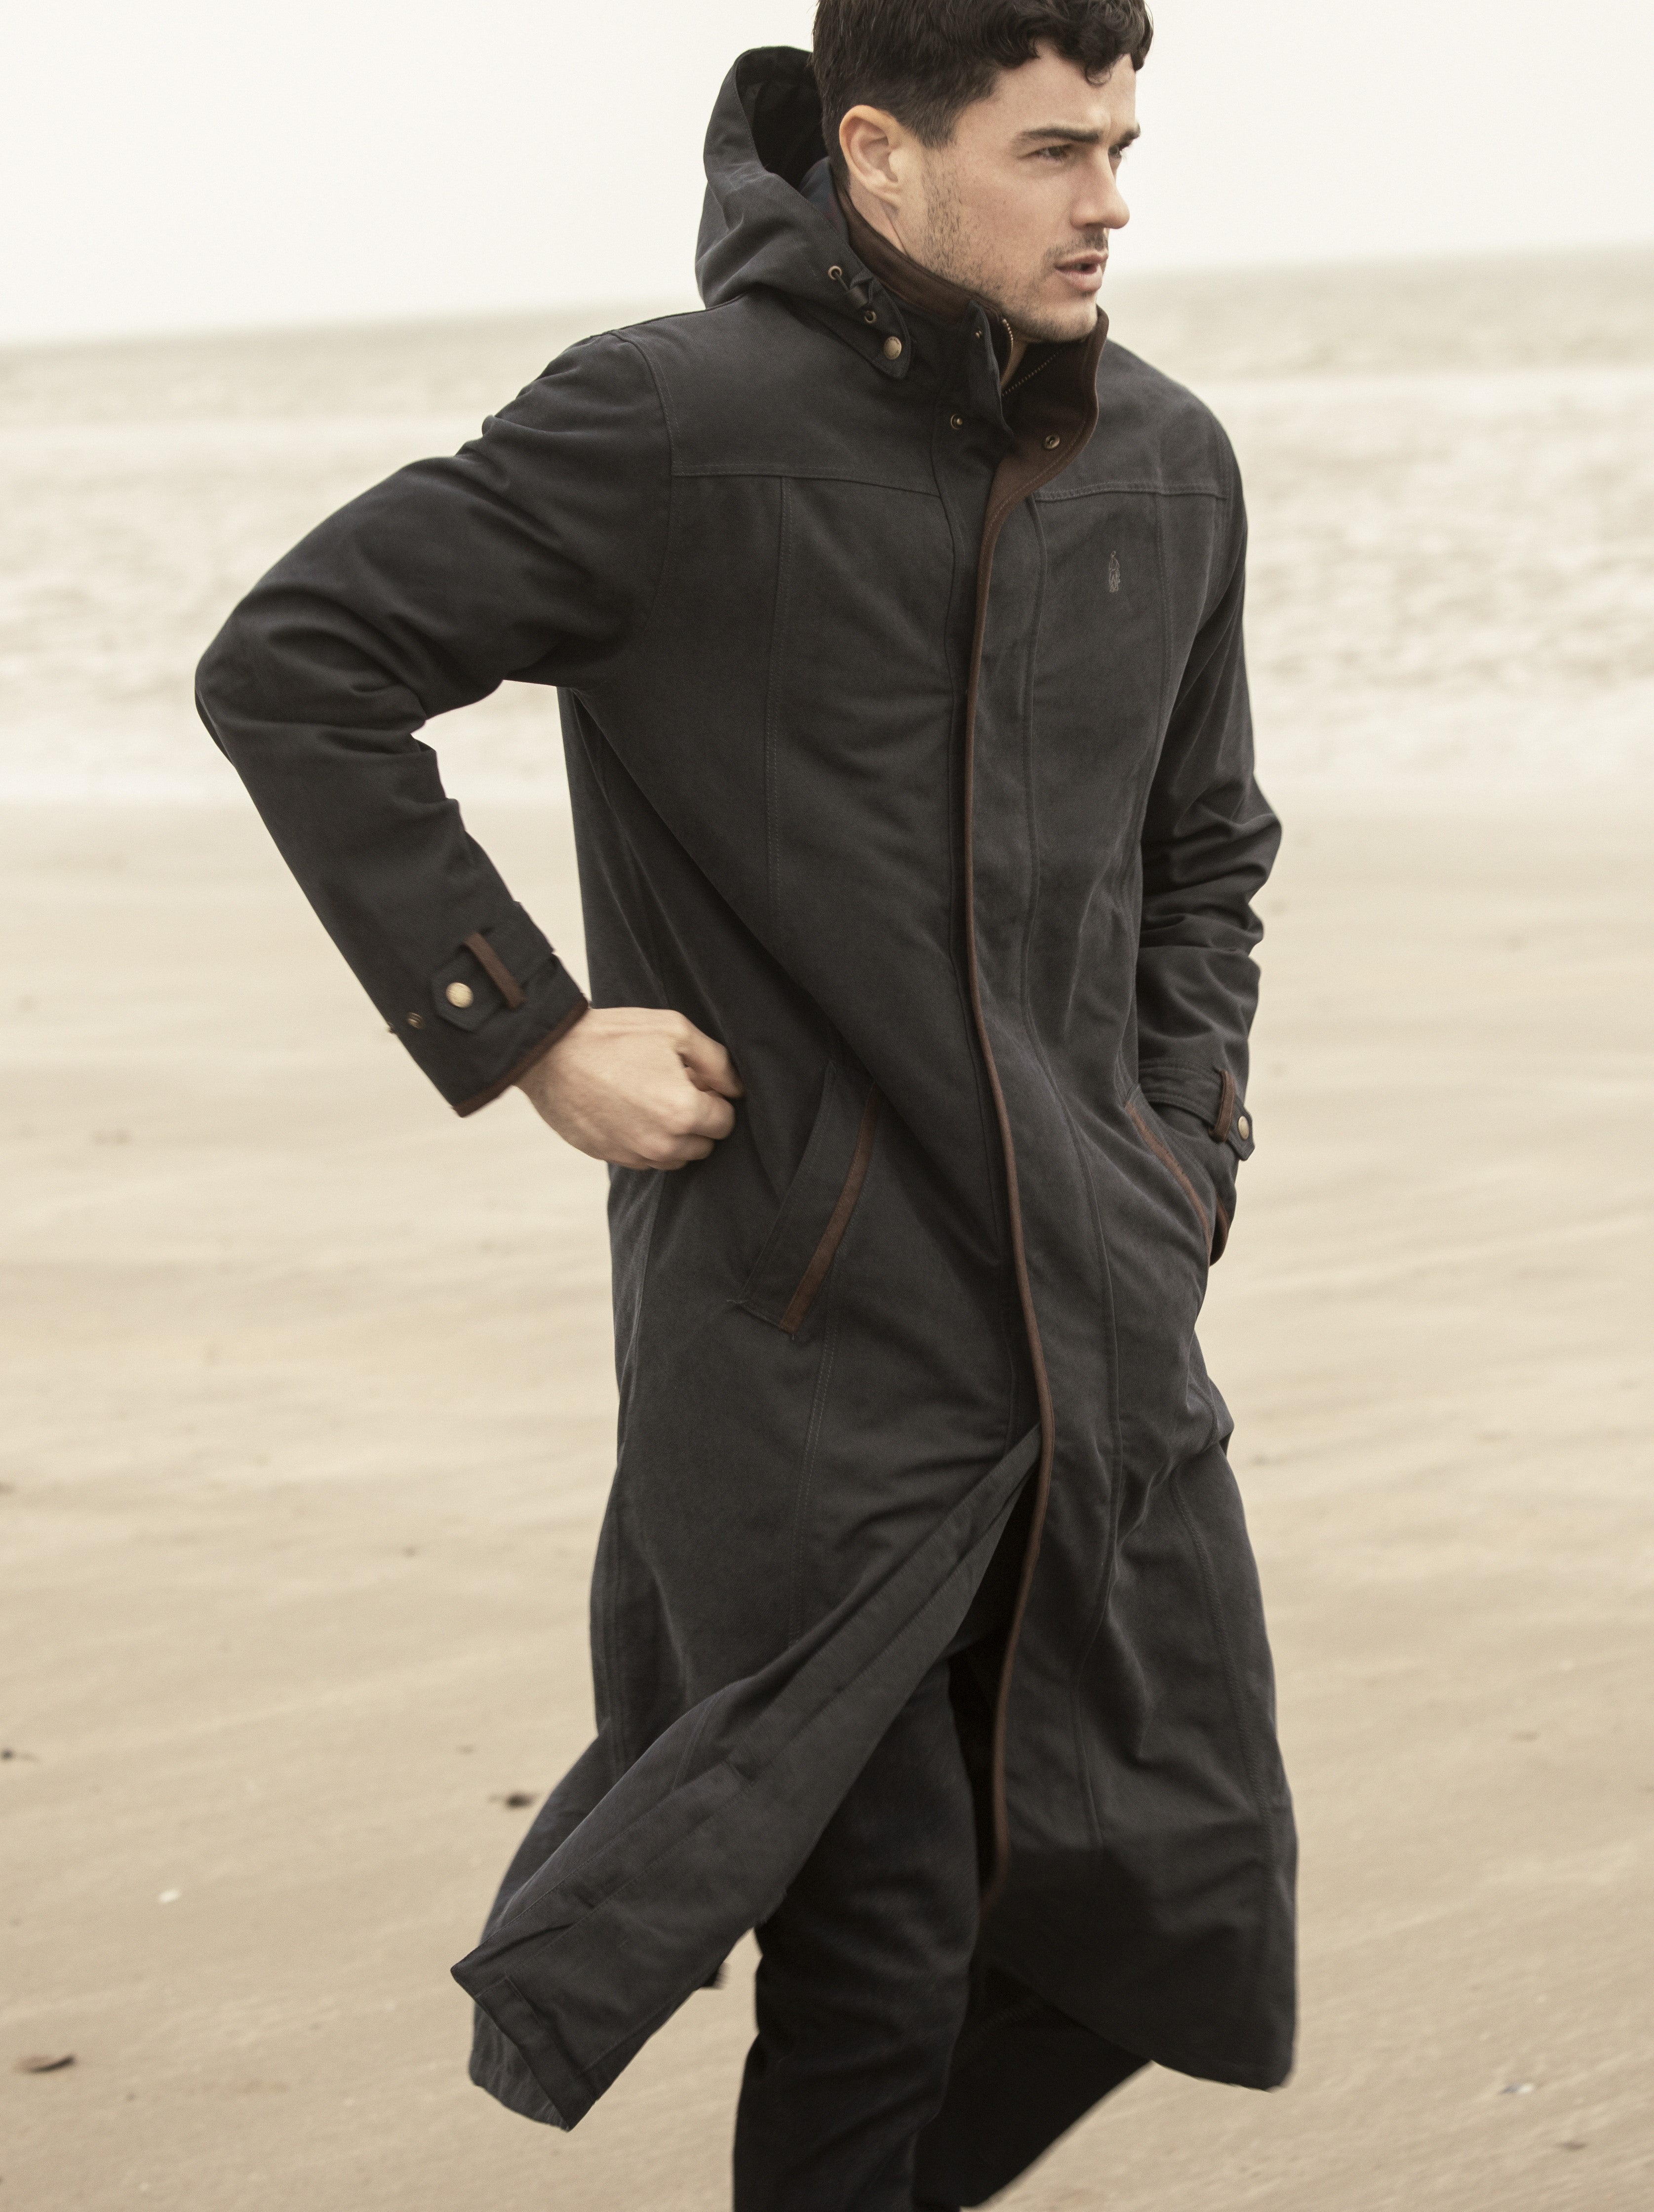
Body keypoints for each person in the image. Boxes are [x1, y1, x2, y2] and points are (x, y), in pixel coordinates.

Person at [196, 2, 1296, 2204]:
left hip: (1094, 1311)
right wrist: (527, 1028)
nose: (1111, 200)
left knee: (1150, 1895)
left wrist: (1184, 1155)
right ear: (879, 158)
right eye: (1056, 151)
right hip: (797, 1329)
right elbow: (298, 664)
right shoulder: (667, 426)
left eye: (1125, 144)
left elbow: (1208, 851)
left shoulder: (1165, 457)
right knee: (879, 1930)